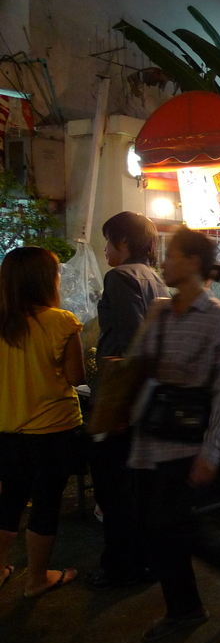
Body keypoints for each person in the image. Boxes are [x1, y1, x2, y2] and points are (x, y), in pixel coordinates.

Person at [129, 227, 220, 641]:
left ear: (194, 264)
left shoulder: (218, 319)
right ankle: (195, 596)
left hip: (187, 440)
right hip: (152, 434)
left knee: (169, 523)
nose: (164, 261)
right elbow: (140, 365)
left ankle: (197, 596)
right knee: (160, 525)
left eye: (173, 255)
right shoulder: (160, 311)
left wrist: (212, 451)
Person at [87, 212, 168, 589]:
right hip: (149, 396)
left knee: (113, 486)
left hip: (123, 397)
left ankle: (122, 566)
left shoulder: (119, 277)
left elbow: (135, 341)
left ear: (124, 242)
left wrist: (120, 407)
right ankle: (148, 560)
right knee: (137, 486)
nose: (105, 250)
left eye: (108, 241)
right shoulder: (156, 279)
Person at [0, 247, 85, 597]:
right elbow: (75, 376)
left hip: (7, 428)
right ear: (46, 280)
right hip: (54, 429)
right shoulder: (61, 321)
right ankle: (37, 579)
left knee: (9, 501)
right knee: (47, 501)